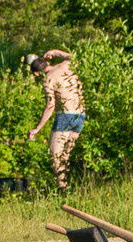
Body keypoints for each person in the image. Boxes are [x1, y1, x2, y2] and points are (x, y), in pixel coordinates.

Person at [22, 50, 87, 190]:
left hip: (65, 115)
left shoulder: (48, 79)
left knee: (56, 157)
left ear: (36, 74)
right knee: (66, 156)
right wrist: (56, 52)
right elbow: (74, 55)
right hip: (80, 114)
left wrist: (37, 128)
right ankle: (70, 188)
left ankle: (64, 190)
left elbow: (50, 105)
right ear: (48, 62)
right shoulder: (67, 65)